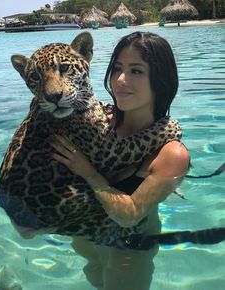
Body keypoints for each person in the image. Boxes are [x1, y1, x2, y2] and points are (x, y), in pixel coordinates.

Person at [51, 31, 190, 290]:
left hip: (129, 248)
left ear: (160, 80)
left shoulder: (171, 153)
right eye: (117, 69)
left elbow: (130, 215)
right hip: (85, 235)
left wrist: (88, 172)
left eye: (136, 71)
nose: (120, 80)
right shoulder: (97, 119)